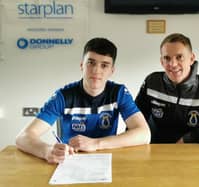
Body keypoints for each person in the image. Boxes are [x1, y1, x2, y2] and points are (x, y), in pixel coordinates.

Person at [16, 37, 151, 164]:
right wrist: (46, 151)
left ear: (112, 70)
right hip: (70, 160)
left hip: (105, 158)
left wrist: (96, 143)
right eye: (91, 63)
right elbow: (23, 137)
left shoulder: (118, 93)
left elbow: (144, 134)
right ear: (82, 65)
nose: (96, 70)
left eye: (104, 65)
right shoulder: (64, 96)